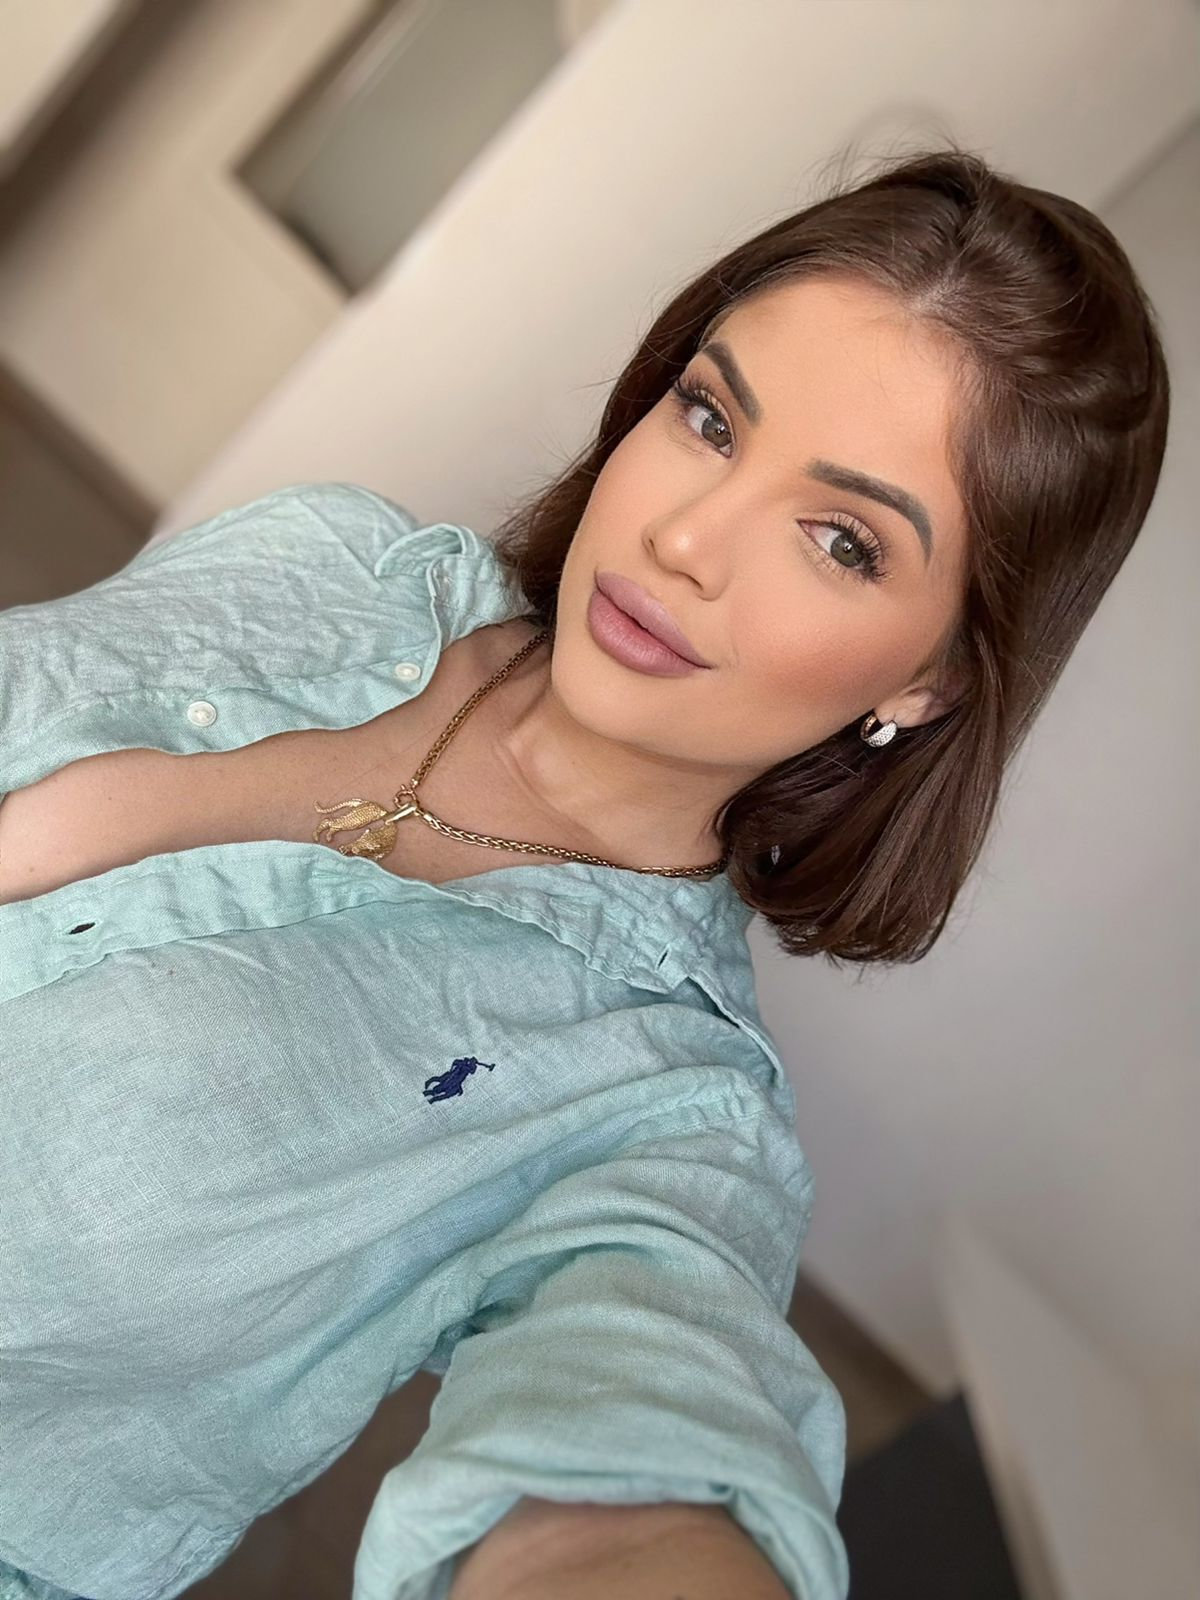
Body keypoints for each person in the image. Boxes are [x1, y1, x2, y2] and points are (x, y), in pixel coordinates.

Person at [0, 142, 1170, 1600]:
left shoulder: (658, 1114)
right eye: (710, 417)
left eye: (841, 540)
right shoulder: (335, 560)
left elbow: (627, 1482)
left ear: (929, 681)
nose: (683, 538)